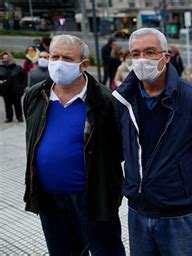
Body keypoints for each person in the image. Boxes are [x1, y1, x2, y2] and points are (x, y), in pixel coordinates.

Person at [113, 28, 192, 255]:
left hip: (181, 214)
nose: (141, 60)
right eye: (135, 54)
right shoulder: (122, 100)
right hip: (138, 210)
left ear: (166, 57)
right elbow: (120, 147)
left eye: (149, 52)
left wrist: (186, 181)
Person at [22, 34, 125, 255]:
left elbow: (118, 150)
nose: (58, 63)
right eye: (54, 56)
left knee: (105, 251)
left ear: (84, 64)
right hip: (49, 199)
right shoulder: (35, 95)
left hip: (93, 200)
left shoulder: (105, 101)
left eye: (67, 58)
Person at [0, 52, 26, 123]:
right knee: (7, 105)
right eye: (3, 58)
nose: (5, 59)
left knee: (17, 104)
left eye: (7, 58)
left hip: (16, 90)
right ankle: (9, 118)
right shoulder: (0, 68)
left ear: (10, 58)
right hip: (5, 91)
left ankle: (19, 117)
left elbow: (24, 78)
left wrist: (22, 88)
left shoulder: (18, 68)